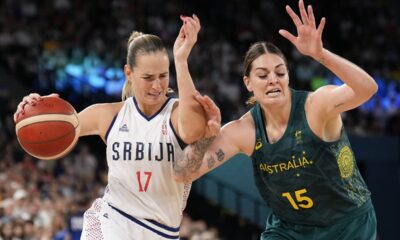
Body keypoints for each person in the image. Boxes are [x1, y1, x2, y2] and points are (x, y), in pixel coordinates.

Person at [173, 1, 378, 239]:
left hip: (347, 224)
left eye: (280, 72)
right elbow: (183, 173)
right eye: (262, 75)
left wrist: (320, 55)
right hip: (290, 230)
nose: (273, 79)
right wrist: (180, 61)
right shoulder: (245, 130)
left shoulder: (316, 106)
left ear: (288, 77)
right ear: (248, 83)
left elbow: (367, 89)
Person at [14, 15, 208, 240]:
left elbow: (194, 131)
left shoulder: (175, 113)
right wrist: (35, 111)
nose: (157, 85)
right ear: (129, 73)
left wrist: (181, 59)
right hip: (114, 221)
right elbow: (56, 131)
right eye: (148, 77)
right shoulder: (108, 115)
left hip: (162, 231)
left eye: (163, 76)